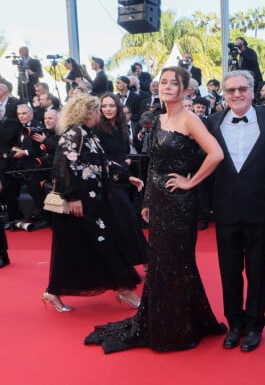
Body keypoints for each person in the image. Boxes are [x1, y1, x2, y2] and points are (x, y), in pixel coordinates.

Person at [85, 66, 226, 353]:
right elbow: (154, 166)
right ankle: (164, 320)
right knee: (160, 264)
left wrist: (191, 182)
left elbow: (216, 154)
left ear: (186, 89)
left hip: (180, 202)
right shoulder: (159, 119)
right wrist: (148, 201)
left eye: (174, 83)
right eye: (163, 82)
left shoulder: (191, 119)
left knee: (178, 263)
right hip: (159, 202)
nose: (167, 87)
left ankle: (180, 328)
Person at [41, 93, 142, 313]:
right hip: (80, 205)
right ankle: (125, 290)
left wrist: (127, 177)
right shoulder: (74, 133)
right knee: (102, 244)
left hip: (94, 204)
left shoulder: (89, 135)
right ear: (87, 112)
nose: (99, 114)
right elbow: (61, 165)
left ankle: (53, 292)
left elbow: (103, 163)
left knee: (75, 249)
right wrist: (73, 197)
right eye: (96, 110)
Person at [207, 70, 265, 352]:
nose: (236, 94)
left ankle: (254, 325)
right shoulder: (212, 122)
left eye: (242, 89)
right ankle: (235, 323)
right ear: (224, 94)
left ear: (253, 91)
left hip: (260, 208)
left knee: (258, 270)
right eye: (230, 91)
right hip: (225, 208)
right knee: (228, 271)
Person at [95, 93, 148, 269]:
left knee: (125, 219)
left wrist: (126, 161)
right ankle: (142, 259)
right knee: (126, 219)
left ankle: (132, 261)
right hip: (108, 180)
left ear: (118, 108)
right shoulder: (97, 129)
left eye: (111, 105)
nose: (108, 109)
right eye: (104, 106)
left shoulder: (121, 127)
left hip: (122, 178)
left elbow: (122, 152)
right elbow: (100, 158)